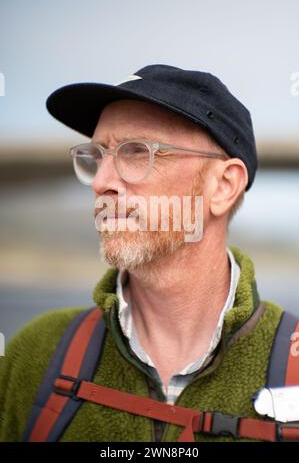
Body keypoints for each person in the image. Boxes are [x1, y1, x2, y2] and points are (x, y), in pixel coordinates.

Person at [0, 65, 297, 442]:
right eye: (97, 155)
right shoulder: (35, 356)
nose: (102, 182)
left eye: (137, 152)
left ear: (223, 186)